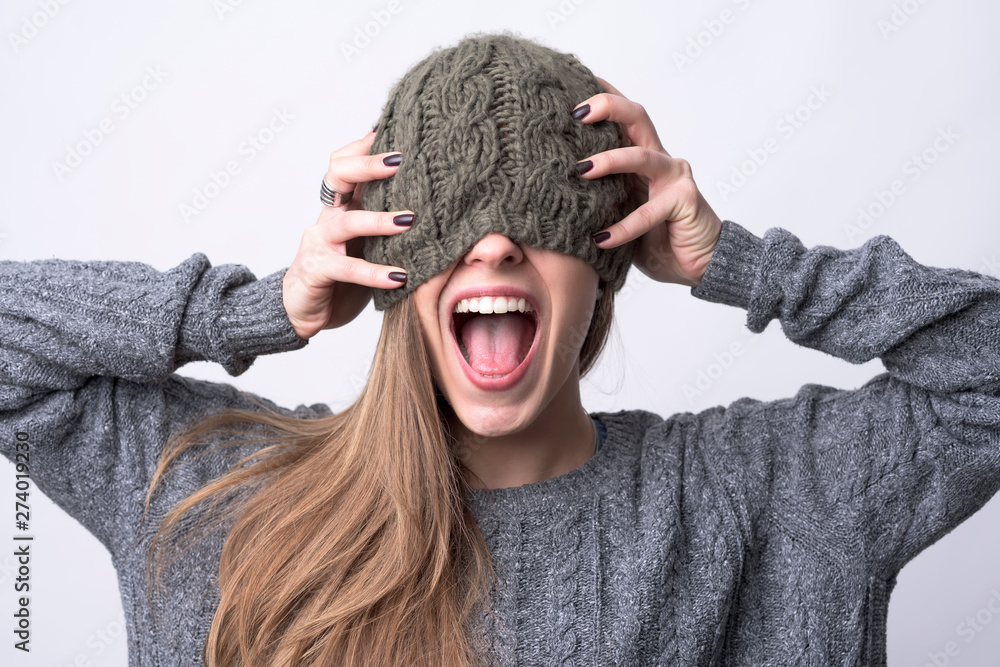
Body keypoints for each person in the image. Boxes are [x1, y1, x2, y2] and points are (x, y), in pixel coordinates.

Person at [2, 30, 999, 666]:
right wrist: (260, 309)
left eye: (539, 212)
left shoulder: (769, 497)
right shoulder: (223, 498)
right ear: (381, 255)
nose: (491, 242)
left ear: (610, 253)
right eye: (446, 217)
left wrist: (742, 264)